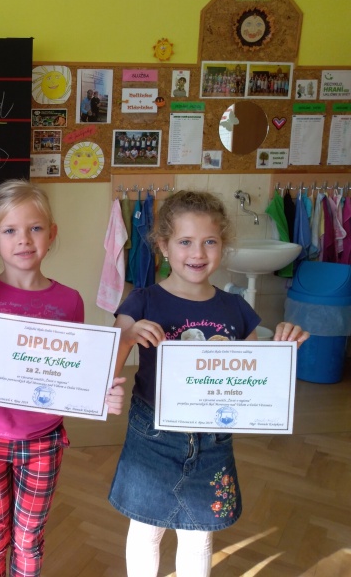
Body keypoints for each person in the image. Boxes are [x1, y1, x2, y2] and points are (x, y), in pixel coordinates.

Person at [107, 190, 309, 577]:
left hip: (213, 437)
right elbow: (108, 366)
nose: (197, 253)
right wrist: (129, 336)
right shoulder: (142, 301)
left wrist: (284, 348)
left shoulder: (236, 308)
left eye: (210, 241)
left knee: (198, 533)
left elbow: (255, 377)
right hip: (153, 434)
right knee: (147, 529)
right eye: (185, 241)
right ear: (164, 246)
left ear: (223, 245)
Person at [0, 179, 127, 576]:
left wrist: (100, 394)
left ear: (52, 234)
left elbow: (73, 372)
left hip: (43, 439)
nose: (24, 240)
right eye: (10, 230)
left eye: (35, 228)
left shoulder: (69, 301)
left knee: (29, 539)